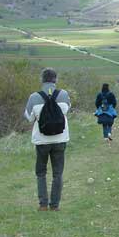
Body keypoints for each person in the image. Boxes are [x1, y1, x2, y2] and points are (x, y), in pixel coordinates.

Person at [24, 68, 71, 211]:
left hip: (41, 140)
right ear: (55, 80)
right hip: (60, 139)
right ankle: (55, 205)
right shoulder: (63, 94)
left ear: (42, 80)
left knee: (41, 173)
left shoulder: (34, 97)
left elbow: (29, 118)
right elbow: (67, 110)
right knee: (58, 173)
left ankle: (43, 204)